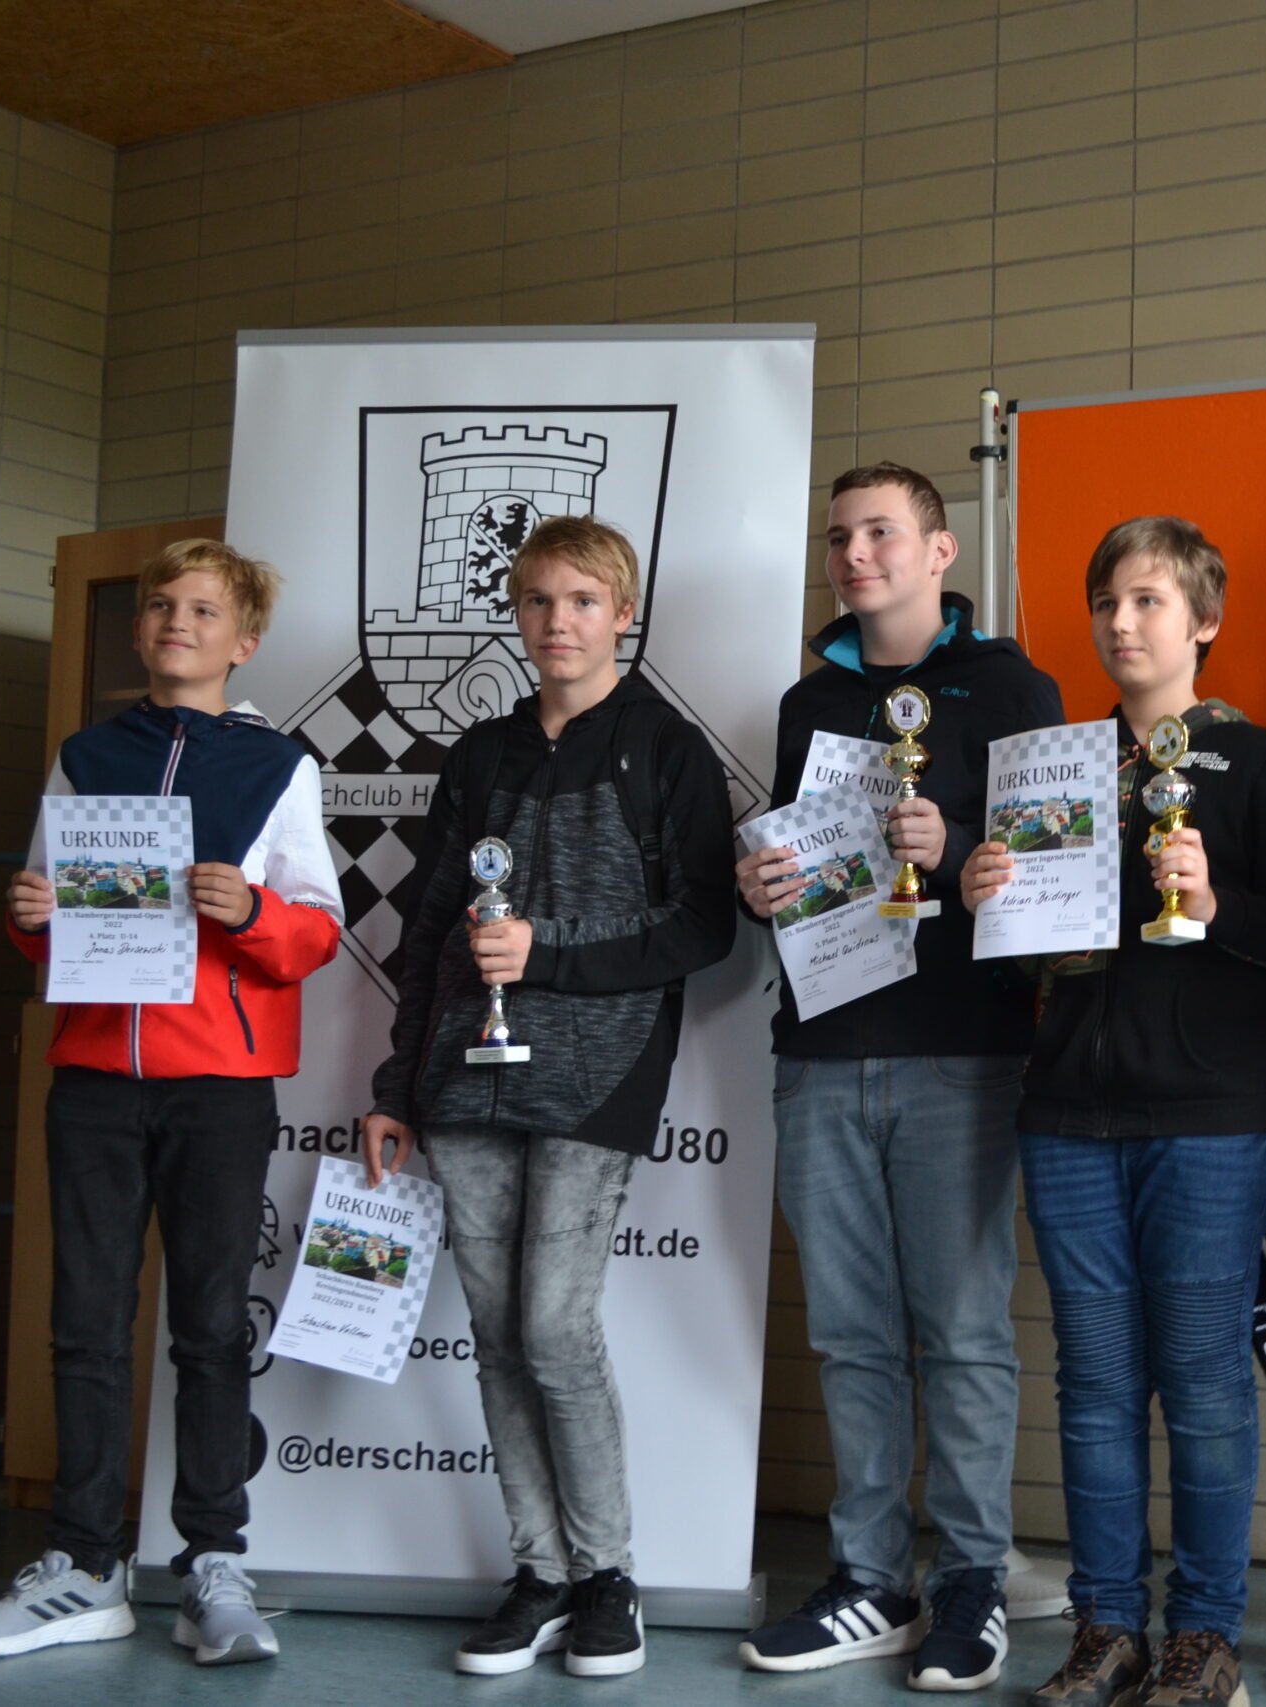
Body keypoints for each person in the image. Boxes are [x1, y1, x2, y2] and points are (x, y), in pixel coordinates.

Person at [963, 517, 1266, 1707]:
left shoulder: (1263, 765)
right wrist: (984, 895)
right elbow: (1019, 964)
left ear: (1203, 621)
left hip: (1213, 1120)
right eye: (1105, 604)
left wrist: (1216, 901)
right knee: (1093, 1384)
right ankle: (1107, 1629)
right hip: (1068, 1114)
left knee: (1204, 1381)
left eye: (1148, 602)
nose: (1121, 624)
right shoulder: (1053, 770)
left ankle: (1205, 1637)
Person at [0, 540, 343, 1666]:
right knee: (85, 1324)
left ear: (244, 640)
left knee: (211, 1329)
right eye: (162, 605)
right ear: (137, 632)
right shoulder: (86, 756)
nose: (178, 621)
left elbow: (317, 930)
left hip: (220, 1085)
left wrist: (253, 911)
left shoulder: (280, 766)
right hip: (92, 1081)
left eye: (205, 610)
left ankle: (212, 1563)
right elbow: (48, 921)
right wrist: (28, 916)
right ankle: (85, 1566)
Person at [360, 514, 736, 1679]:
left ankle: (609, 1576)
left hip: (597, 1077)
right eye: (536, 600)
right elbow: (429, 927)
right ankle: (542, 1574)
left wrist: (549, 951)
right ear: (516, 615)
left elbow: (705, 927)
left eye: (581, 600)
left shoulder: (667, 749)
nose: (557, 621)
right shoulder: (480, 754)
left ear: (623, 613)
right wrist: (395, 1082)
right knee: (494, 1338)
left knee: (553, 1330)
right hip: (461, 1078)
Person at [736, 462, 1064, 1690]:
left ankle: (972, 1580)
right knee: (850, 1337)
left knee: (965, 1332)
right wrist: (759, 884)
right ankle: (870, 1578)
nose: (855, 554)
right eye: (839, 537)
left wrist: (960, 843)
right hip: (821, 1048)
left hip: (963, 1050)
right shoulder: (808, 702)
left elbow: (1062, 871)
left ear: (938, 550)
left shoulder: (1013, 687)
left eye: (880, 532)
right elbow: (802, 857)